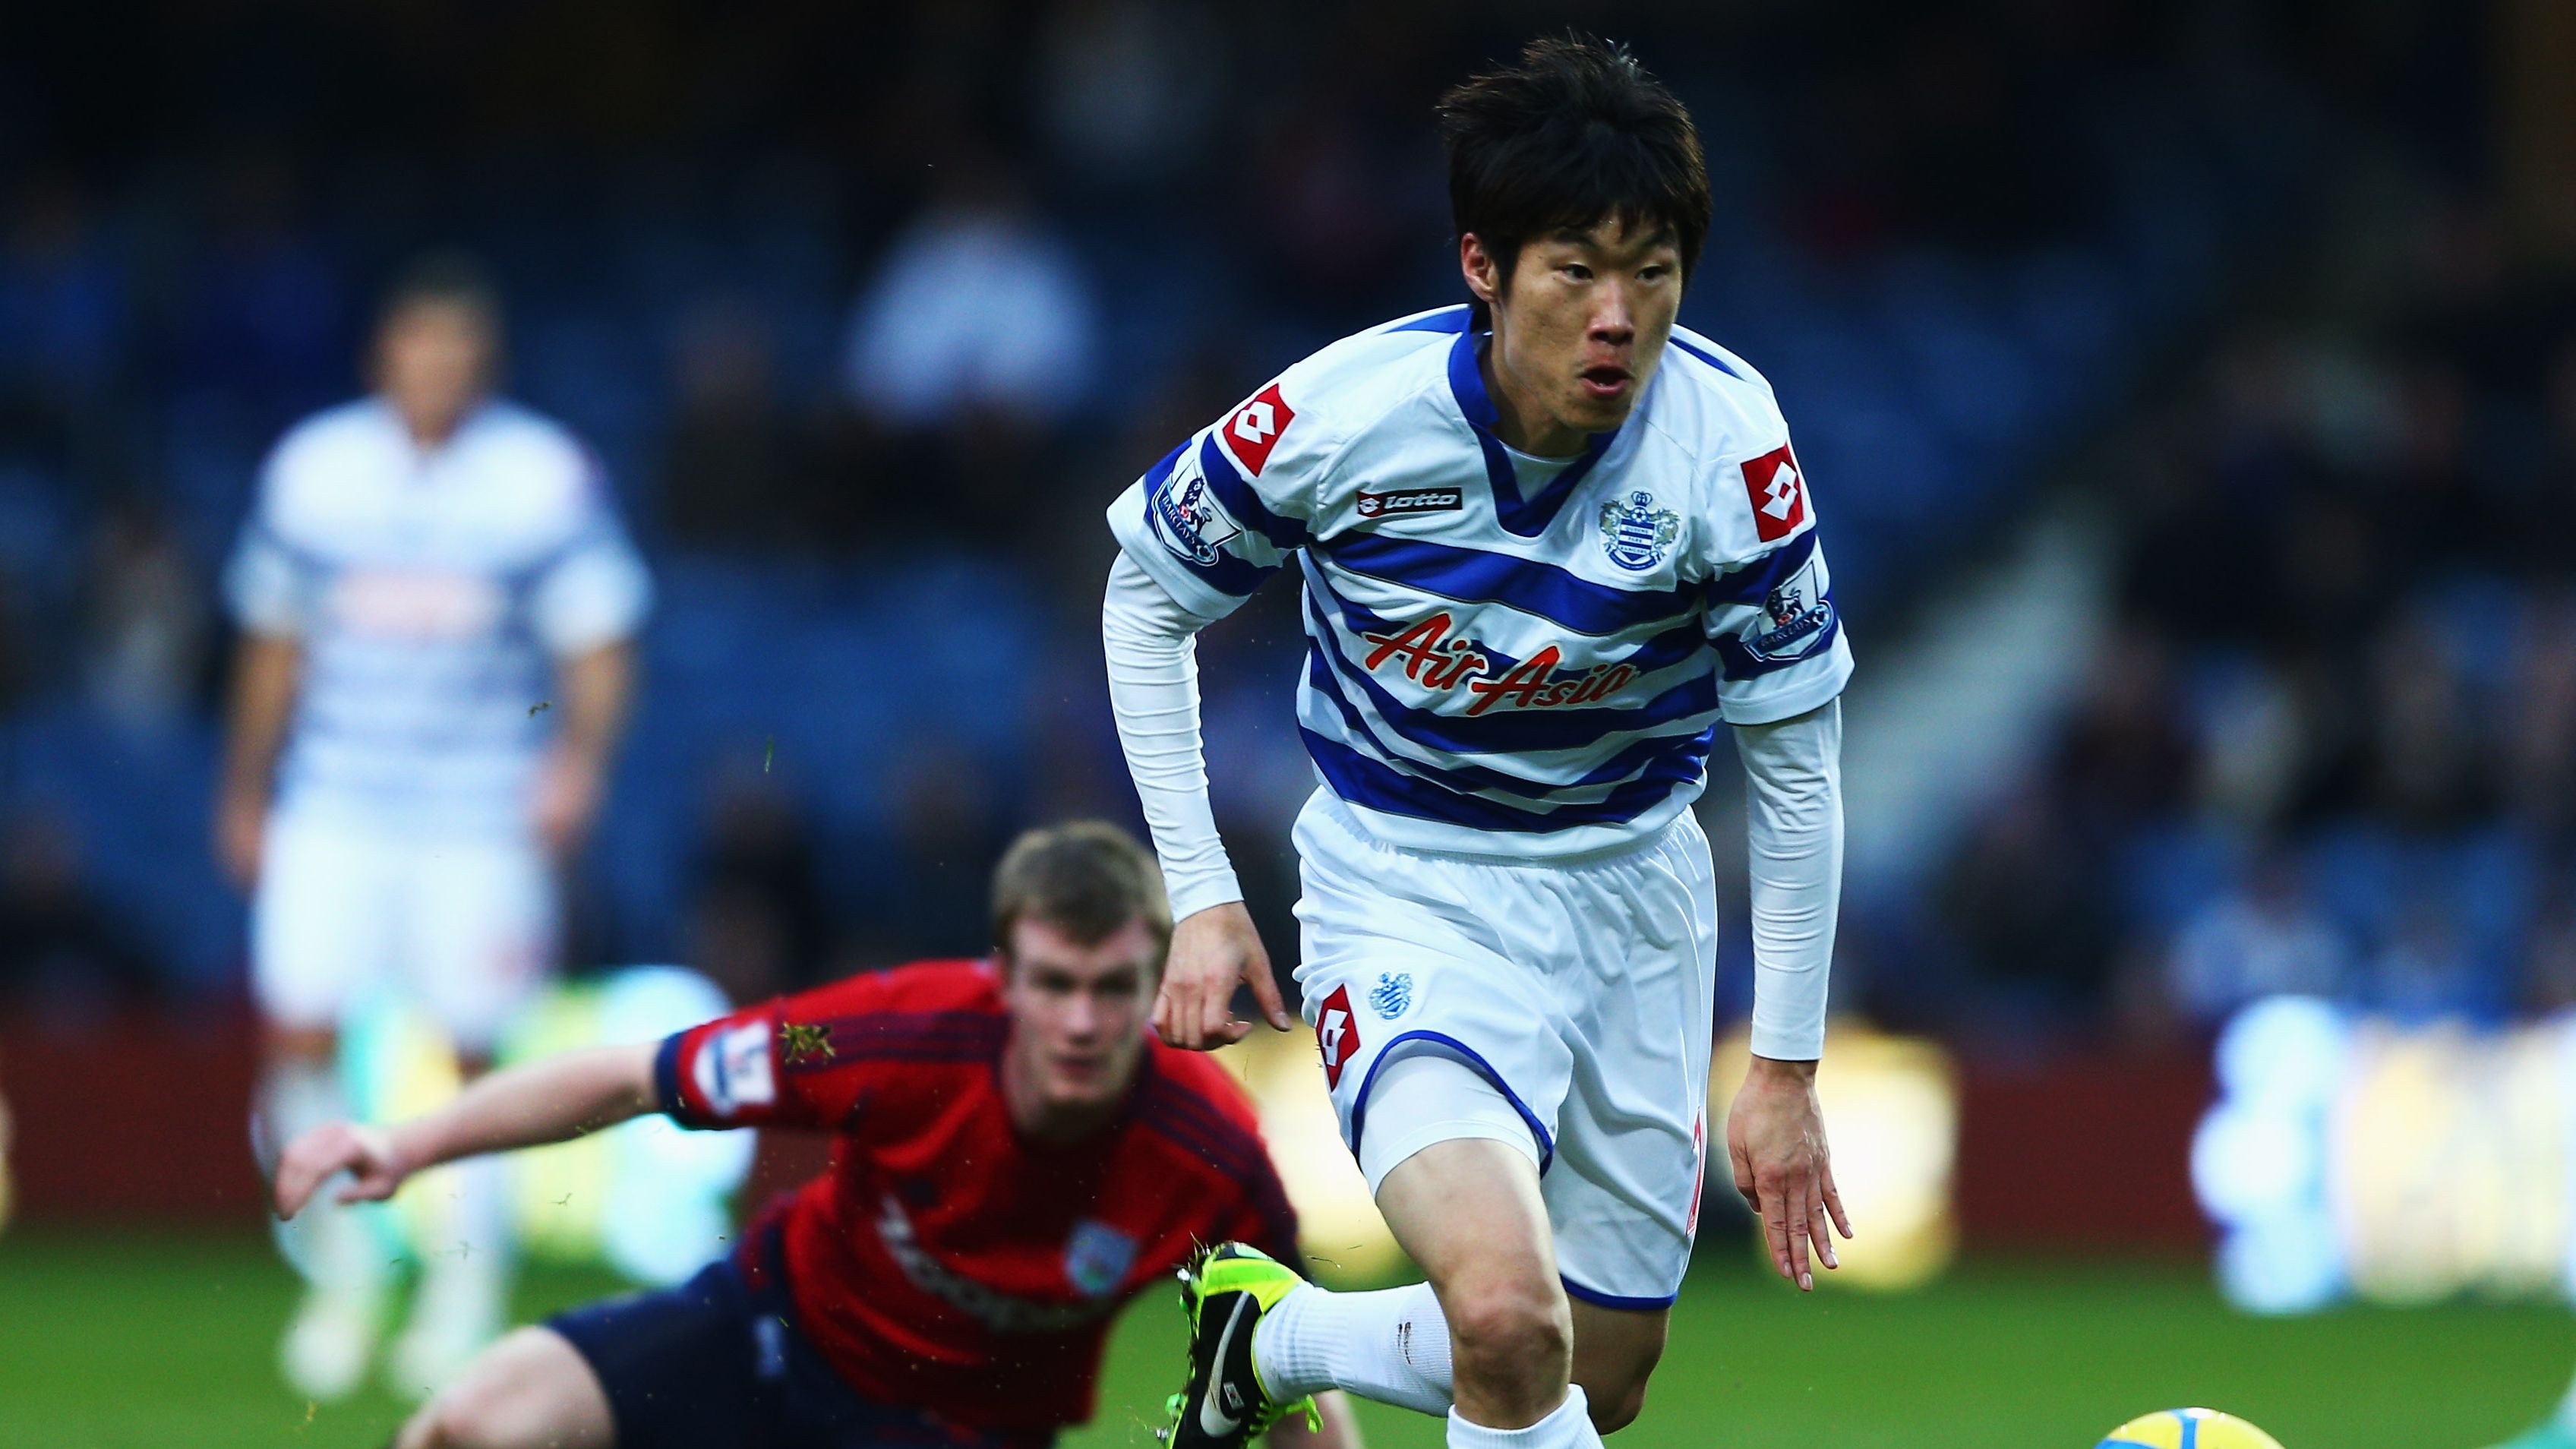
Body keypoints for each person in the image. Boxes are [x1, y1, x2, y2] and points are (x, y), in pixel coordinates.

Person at [1100, 36, 1852, 1449]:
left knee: (1596, 1383)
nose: (1620, 317)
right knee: (1506, 1320)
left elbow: (1799, 765)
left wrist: (1789, 1067)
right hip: (1407, 886)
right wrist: (1201, 895)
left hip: (1635, 902)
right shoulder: (1345, 415)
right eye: (1578, 269)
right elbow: (1146, 600)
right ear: (1484, 268)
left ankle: (1270, 1339)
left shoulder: (1732, 448)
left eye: (1655, 274)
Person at [272, 821, 1364, 1449]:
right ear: (1003, 976)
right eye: (1054, 985)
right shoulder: (894, 1038)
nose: (1081, 1020)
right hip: (767, 1333)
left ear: (1154, 983)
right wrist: (410, 1146)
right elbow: (632, 1076)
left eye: (1112, 987)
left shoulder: (1209, 1152)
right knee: (469, 1427)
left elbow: (1293, 1365)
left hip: (961, 1436)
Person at [217, 254, 652, 1398]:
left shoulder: (540, 476)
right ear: (383, 356)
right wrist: (246, 789)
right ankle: (342, 1276)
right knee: (299, 1033)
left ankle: (463, 1283)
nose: (436, 371)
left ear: (484, 364)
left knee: (472, 1050)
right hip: (335, 802)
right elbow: (271, 641)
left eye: (458, 351)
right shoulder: (316, 471)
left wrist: (579, 764)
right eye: (418, 347)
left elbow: (599, 638)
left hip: (477, 814)